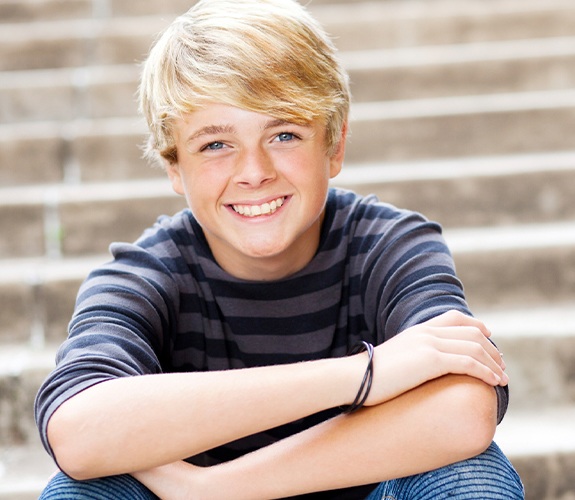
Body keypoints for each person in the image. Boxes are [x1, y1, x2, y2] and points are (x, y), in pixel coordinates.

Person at [35, 0, 524, 498]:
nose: (254, 171)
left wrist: (214, 489)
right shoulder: (145, 274)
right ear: (174, 166)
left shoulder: (388, 244)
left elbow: (465, 409)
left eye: (284, 134)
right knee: (86, 487)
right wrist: (365, 374)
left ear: (334, 145)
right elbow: (77, 430)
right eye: (215, 145)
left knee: (470, 473)